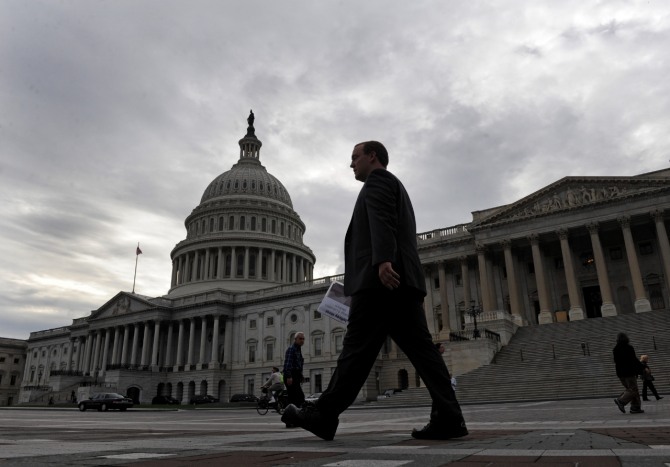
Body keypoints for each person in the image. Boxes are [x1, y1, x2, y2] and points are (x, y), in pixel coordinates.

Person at [282, 141, 468, 441]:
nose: (351, 163)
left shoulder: (378, 181)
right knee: (422, 353)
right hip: (401, 283)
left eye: (355, 157)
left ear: (372, 156)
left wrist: (382, 261)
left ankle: (323, 415)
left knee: (355, 352)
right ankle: (449, 416)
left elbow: (382, 221)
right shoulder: (396, 185)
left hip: (380, 281)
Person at [613, 332, 645, 414]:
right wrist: (642, 368)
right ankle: (621, 400)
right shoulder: (629, 348)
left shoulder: (615, 349)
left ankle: (635, 408)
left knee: (632, 390)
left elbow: (616, 362)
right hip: (629, 372)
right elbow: (633, 360)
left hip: (620, 374)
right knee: (633, 389)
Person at [283, 332, 306, 417]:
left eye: (303, 339)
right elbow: (288, 363)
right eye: (300, 339)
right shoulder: (291, 349)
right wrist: (289, 376)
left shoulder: (298, 349)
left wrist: (301, 375)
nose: (302, 340)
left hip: (295, 375)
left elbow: (298, 364)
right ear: (295, 339)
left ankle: (294, 417)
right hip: (291, 375)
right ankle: (290, 419)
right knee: (295, 397)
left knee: (298, 397)